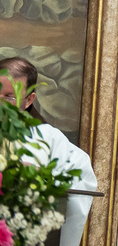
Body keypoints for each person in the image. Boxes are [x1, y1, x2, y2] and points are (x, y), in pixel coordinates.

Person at [0, 56, 99, 246]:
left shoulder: (48, 139)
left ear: (29, 100)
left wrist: (43, 178)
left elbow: (83, 177)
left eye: (10, 96)